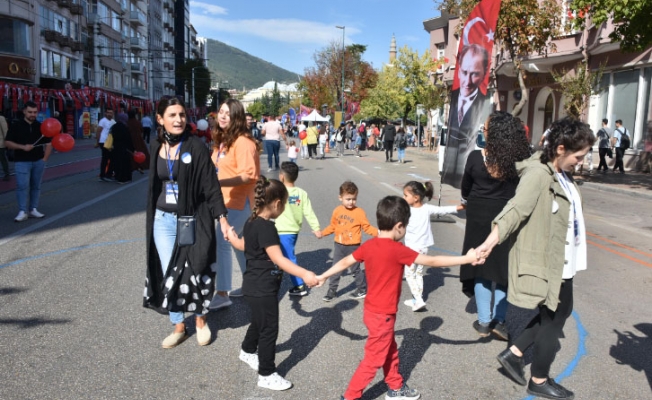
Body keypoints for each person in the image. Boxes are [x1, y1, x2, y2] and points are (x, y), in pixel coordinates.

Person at [476, 117, 595, 400]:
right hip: (551, 264)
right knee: (553, 322)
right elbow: (515, 210)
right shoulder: (539, 175)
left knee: (553, 316)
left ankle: (515, 353)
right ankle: (538, 379)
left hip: (564, 259)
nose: (581, 161)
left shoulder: (560, 172)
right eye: (579, 156)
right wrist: (488, 244)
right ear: (561, 149)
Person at [316, 196, 479, 400]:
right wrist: (467, 258)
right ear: (399, 226)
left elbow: (344, 262)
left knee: (390, 350)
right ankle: (350, 396)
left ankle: (395, 386)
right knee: (373, 359)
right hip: (382, 316)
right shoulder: (398, 250)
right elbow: (433, 260)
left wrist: (322, 276)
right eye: (406, 227)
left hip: (372, 312)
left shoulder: (369, 245)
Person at [143, 96, 230, 349]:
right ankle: (179, 325)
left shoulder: (196, 147)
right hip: (163, 220)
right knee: (171, 273)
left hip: (192, 219)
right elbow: (154, 186)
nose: (179, 119)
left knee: (196, 269)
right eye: (172, 115)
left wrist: (222, 218)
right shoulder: (155, 146)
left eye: (182, 114)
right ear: (160, 119)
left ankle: (201, 321)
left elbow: (211, 187)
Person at [226, 176, 318, 391]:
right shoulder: (267, 228)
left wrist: (231, 236)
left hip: (252, 285)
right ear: (277, 203)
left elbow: (243, 246)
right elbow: (279, 259)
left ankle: (248, 350)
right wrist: (304, 274)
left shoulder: (251, 221)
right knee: (269, 329)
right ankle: (266, 373)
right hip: (263, 288)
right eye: (284, 204)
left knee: (259, 322)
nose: (283, 208)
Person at [459, 111, 532, 340]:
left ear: (495, 134)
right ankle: (499, 320)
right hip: (506, 217)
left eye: (486, 129)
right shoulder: (519, 161)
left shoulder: (474, 157)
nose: (483, 131)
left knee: (480, 266)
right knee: (503, 270)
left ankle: (483, 321)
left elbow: (465, 189)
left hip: (478, 216)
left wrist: (466, 201)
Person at [209, 98, 261, 309]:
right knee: (237, 244)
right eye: (221, 111)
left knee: (222, 242)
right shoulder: (224, 140)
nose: (222, 116)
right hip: (225, 200)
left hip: (241, 202)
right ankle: (252, 285)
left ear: (237, 117)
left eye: (228, 113)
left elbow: (248, 176)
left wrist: (217, 181)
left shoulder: (244, 142)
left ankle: (222, 293)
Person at [402, 181, 462, 311]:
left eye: (406, 195)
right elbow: (443, 210)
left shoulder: (407, 211)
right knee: (418, 273)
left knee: (409, 274)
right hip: (424, 248)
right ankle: (417, 299)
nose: (403, 198)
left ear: (416, 197)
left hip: (411, 249)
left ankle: (418, 300)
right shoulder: (427, 208)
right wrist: (460, 207)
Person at [320, 181, 378, 302]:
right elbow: (333, 226)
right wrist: (323, 233)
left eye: (354, 199)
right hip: (339, 245)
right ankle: (332, 290)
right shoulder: (337, 211)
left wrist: (379, 233)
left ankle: (362, 289)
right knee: (336, 268)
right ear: (340, 197)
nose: (351, 202)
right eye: (348, 199)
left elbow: (367, 227)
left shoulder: (359, 212)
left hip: (353, 246)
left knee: (355, 269)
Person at [442, 44, 491, 186]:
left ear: (484, 72)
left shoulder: (482, 104)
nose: (467, 81)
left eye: (475, 73)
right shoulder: (453, 102)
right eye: (464, 72)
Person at [275, 162, 321, 296]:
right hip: (293, 231)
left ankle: (299, 285)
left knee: (288, 257)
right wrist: (316, 227)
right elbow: (309, 212)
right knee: (282, 255)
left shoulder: (279, 192)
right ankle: (278, 273)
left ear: (282, 176)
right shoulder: (301, 193)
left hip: (281, 230)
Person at [5, 102, 52, 222]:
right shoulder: (16, 125)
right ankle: (22, 211)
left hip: (38, 161)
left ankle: (33, 209)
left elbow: (49, 143)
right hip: (21, 161)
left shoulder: (41, 126)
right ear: (24, 112)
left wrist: (44, 159)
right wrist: (23, 147)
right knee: (22, 186)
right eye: (30, 112)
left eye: (35, 112)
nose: (33, 114)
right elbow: (7, 143)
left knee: (36, 186)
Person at [109, 113, 134, 184]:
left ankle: (117, 176)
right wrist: (132, 149)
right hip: (124, 148)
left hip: (115, 147)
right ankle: (124, 178)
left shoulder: (114, 126)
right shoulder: (125, 127)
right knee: (124, 163)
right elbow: (128, 139)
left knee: (117, 162)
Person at [96, 109, 116, 181]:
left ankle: (108, 174)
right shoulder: (103, 121)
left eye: (111, 112)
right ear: (105, 113)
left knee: (112, 158)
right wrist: (97, 141)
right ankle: (104, 175)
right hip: (103, 142)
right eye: (108, 113)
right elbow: (98, 131)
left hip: (110, 142)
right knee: (106, 158)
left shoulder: (113, 121)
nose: (110, 114)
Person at [0, 114, 9, 181]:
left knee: (3, 159)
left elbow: (5, 130)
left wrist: (7, 141)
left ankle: (7, 174)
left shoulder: (1, 118)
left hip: (0, 144)